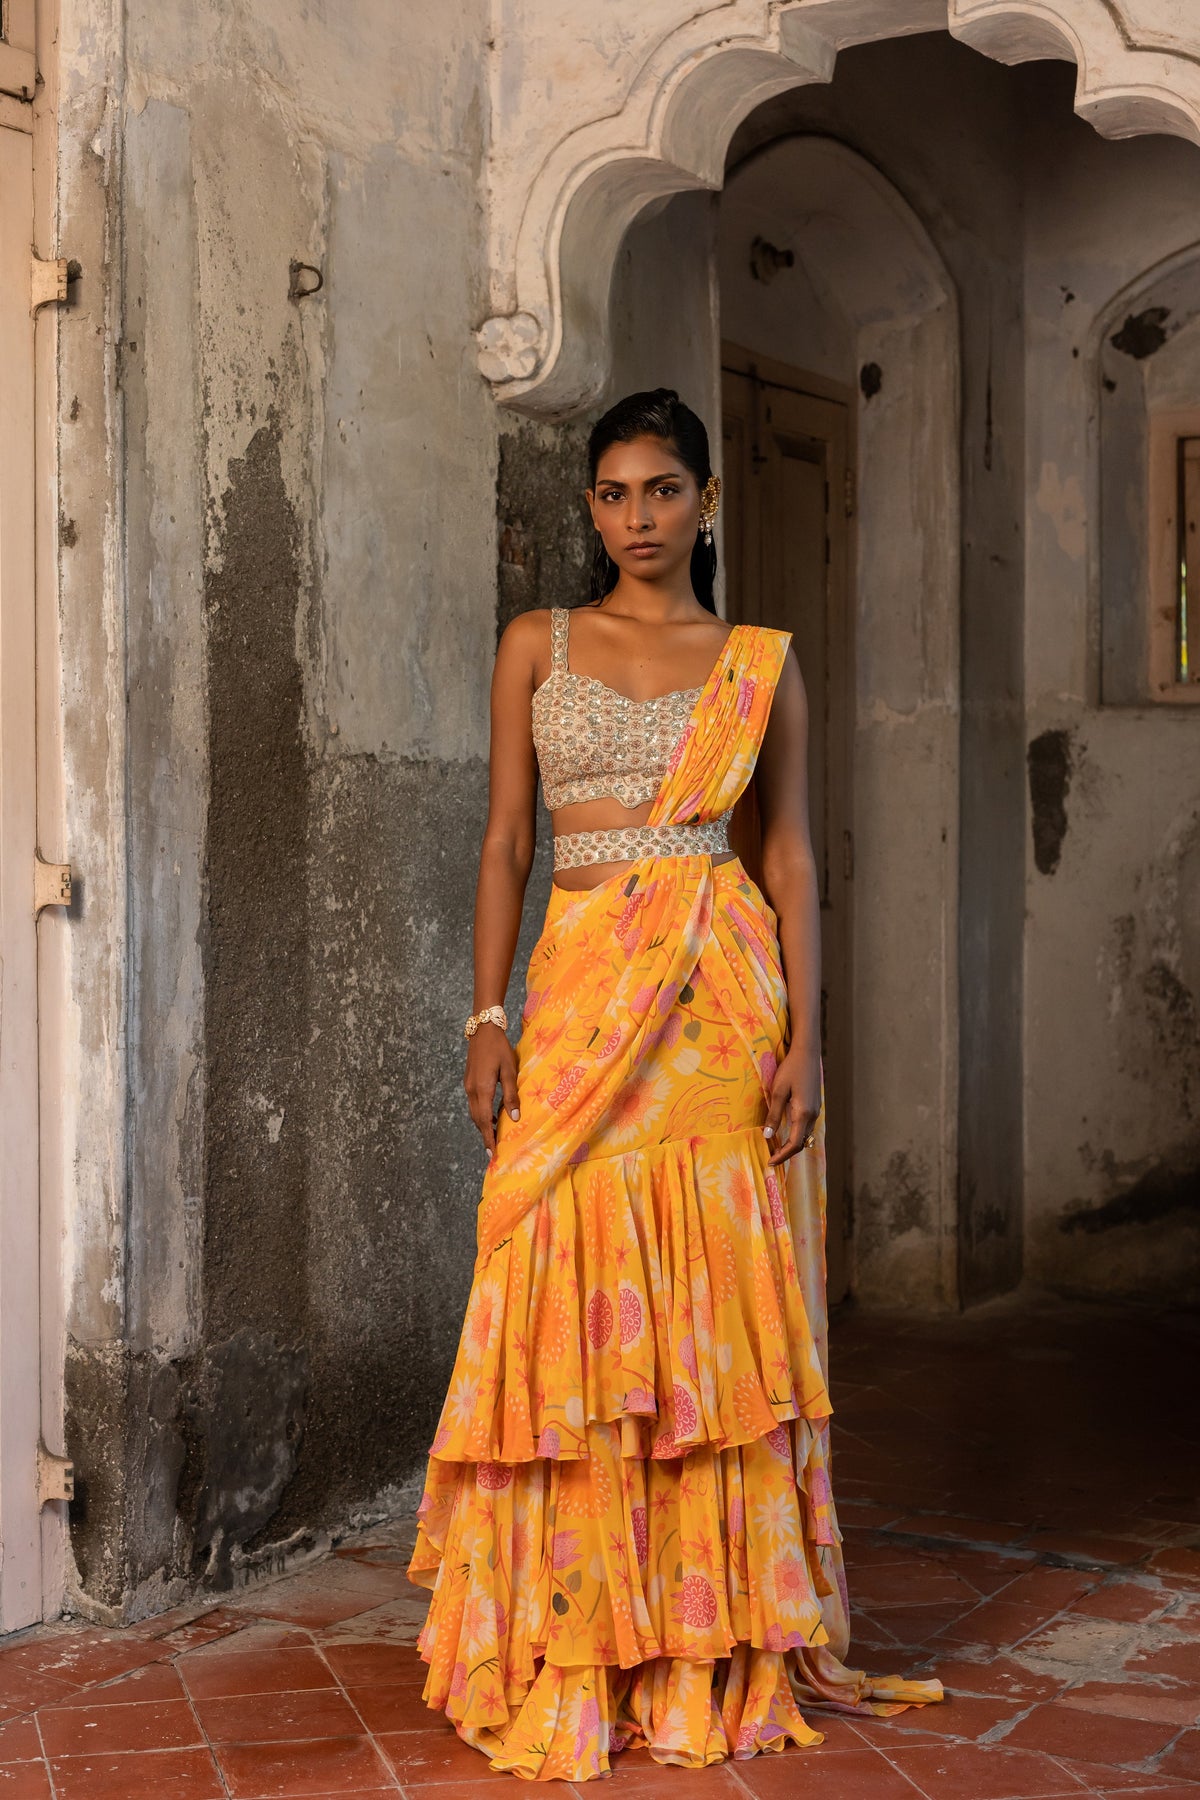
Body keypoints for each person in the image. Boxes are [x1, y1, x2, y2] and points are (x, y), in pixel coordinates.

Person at [406, 388, 942, 1780]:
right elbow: (506, 844)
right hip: (583, 1002)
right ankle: (582, 1630)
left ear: (705, 501)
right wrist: (484, 1013)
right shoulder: (540, 643)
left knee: (707, 1316)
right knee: (569, 1294)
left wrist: (808, 1038)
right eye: (613, 494)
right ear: (589, 510)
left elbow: (794, 859)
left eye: (661, 491)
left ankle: (707, 1637)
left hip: (721, 1003)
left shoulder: (758, 660)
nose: (637, 518)